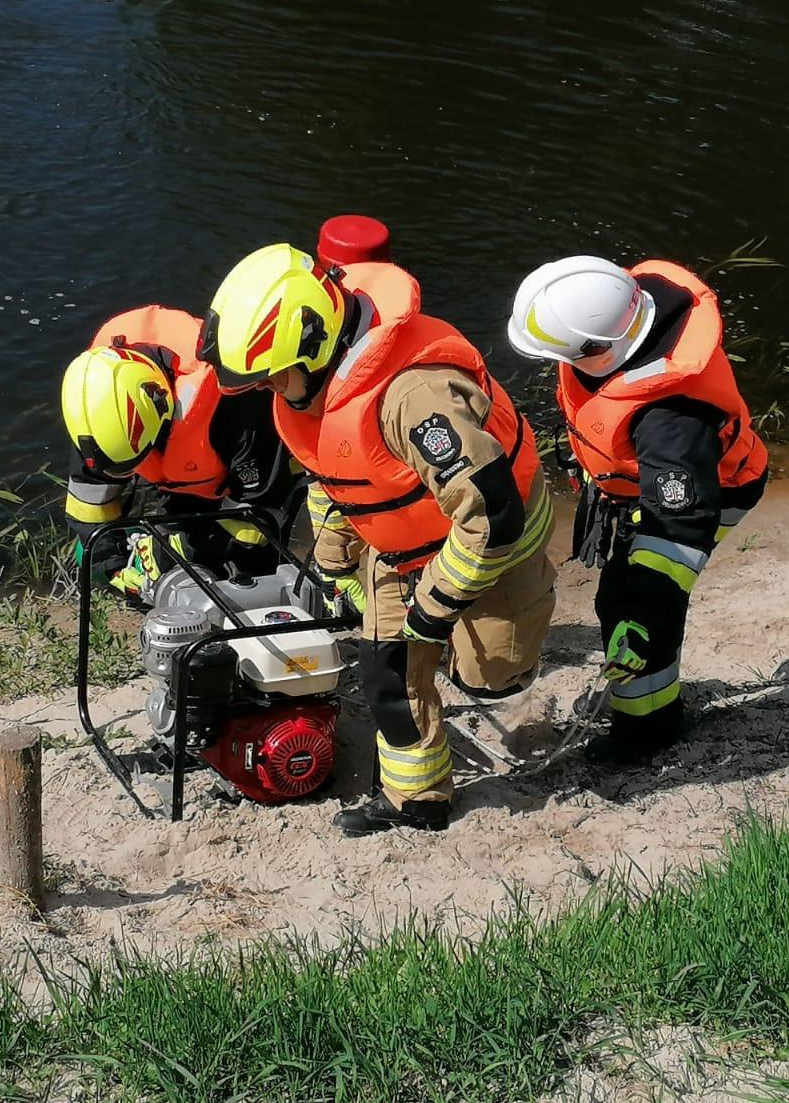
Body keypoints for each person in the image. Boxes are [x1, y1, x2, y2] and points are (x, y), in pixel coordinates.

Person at [198, 244, 557, 836]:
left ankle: (500, 642)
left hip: (490, 547)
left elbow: (491, 515)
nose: (269, 390)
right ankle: (415, 801)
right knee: (387, 669)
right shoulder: (316, 393)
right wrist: (335, 557)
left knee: (490, 679)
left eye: (273, 376)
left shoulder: (415, 398)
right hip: (402, 548)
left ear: (313, 349)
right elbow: (336, 473)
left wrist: (437, 605)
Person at [505, 256, 768, 766]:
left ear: (601, 350)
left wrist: (644, 608)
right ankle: (646, 698)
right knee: (627, 594)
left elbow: (681, 527)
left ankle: (648, 725)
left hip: (703, 494)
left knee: (635, 603)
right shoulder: (623, 310)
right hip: (654, 485)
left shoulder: (670, 419)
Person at [60, 304, 297, 594]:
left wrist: (178, 549)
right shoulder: (99, 401)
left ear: (161, 407)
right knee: (94, 557)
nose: (131, 472)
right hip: (185, 477)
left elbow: (255, 513)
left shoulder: (232, 398)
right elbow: (88, 502)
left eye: (133, 462)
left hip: (250, 483)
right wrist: (113, 563)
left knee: (254, 569)